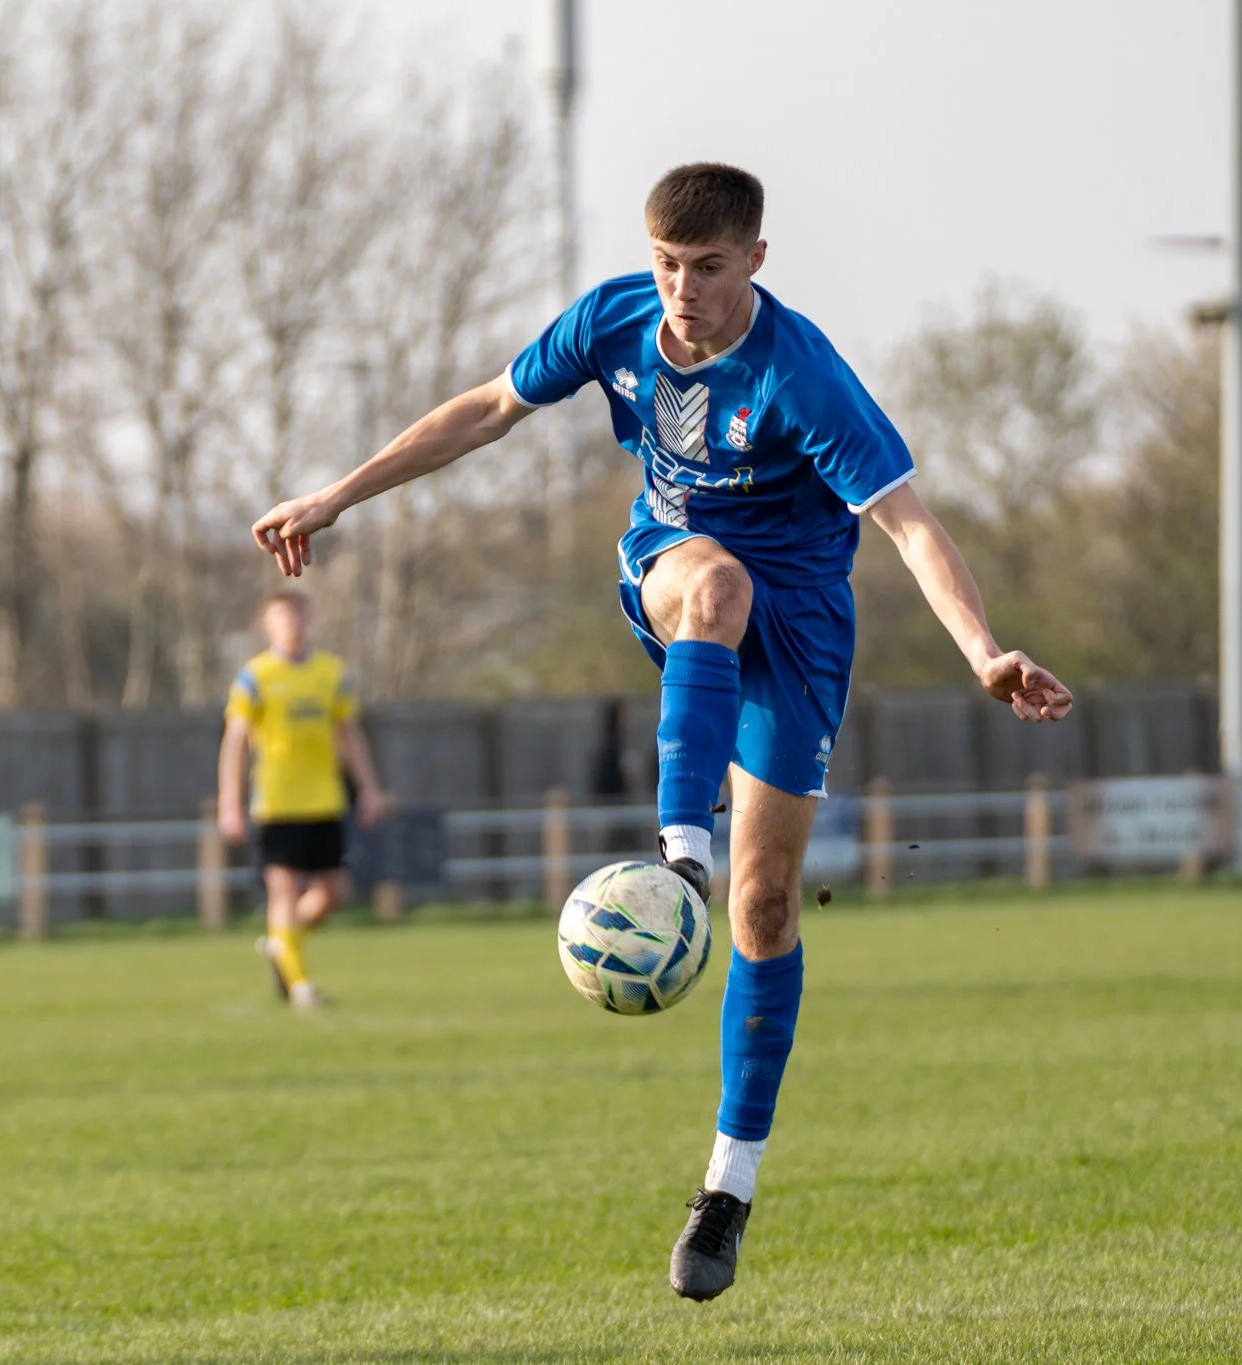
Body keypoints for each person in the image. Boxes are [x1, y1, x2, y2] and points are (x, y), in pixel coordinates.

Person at [252, 164, 1072, 1299]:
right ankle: (679, 849)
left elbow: (907, 523)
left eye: (708, 267)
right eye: (666, 264)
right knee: (716, 587)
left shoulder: (801, 375)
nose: (682, 289)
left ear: (755, 261)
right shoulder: (615, 320)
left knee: (766, 906)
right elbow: (486, 408)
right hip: (680, 568)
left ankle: (727, 1187)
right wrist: (335, 497)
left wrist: (982, 650)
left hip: (804, 621)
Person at [216, 590, 386, 1010]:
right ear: (267, 625)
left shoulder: (330, 672)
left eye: (296, 614)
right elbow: (235, 741)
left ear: (308, 619)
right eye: (281, 616)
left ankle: (280, 945)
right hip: (276, 802)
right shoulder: (255, 676)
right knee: (284, 890)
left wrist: (368, 787)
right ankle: (300, 986)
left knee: (334, 893)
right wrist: (229, 801)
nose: (291, 622)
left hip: (324, 799)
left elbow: (349, 733)